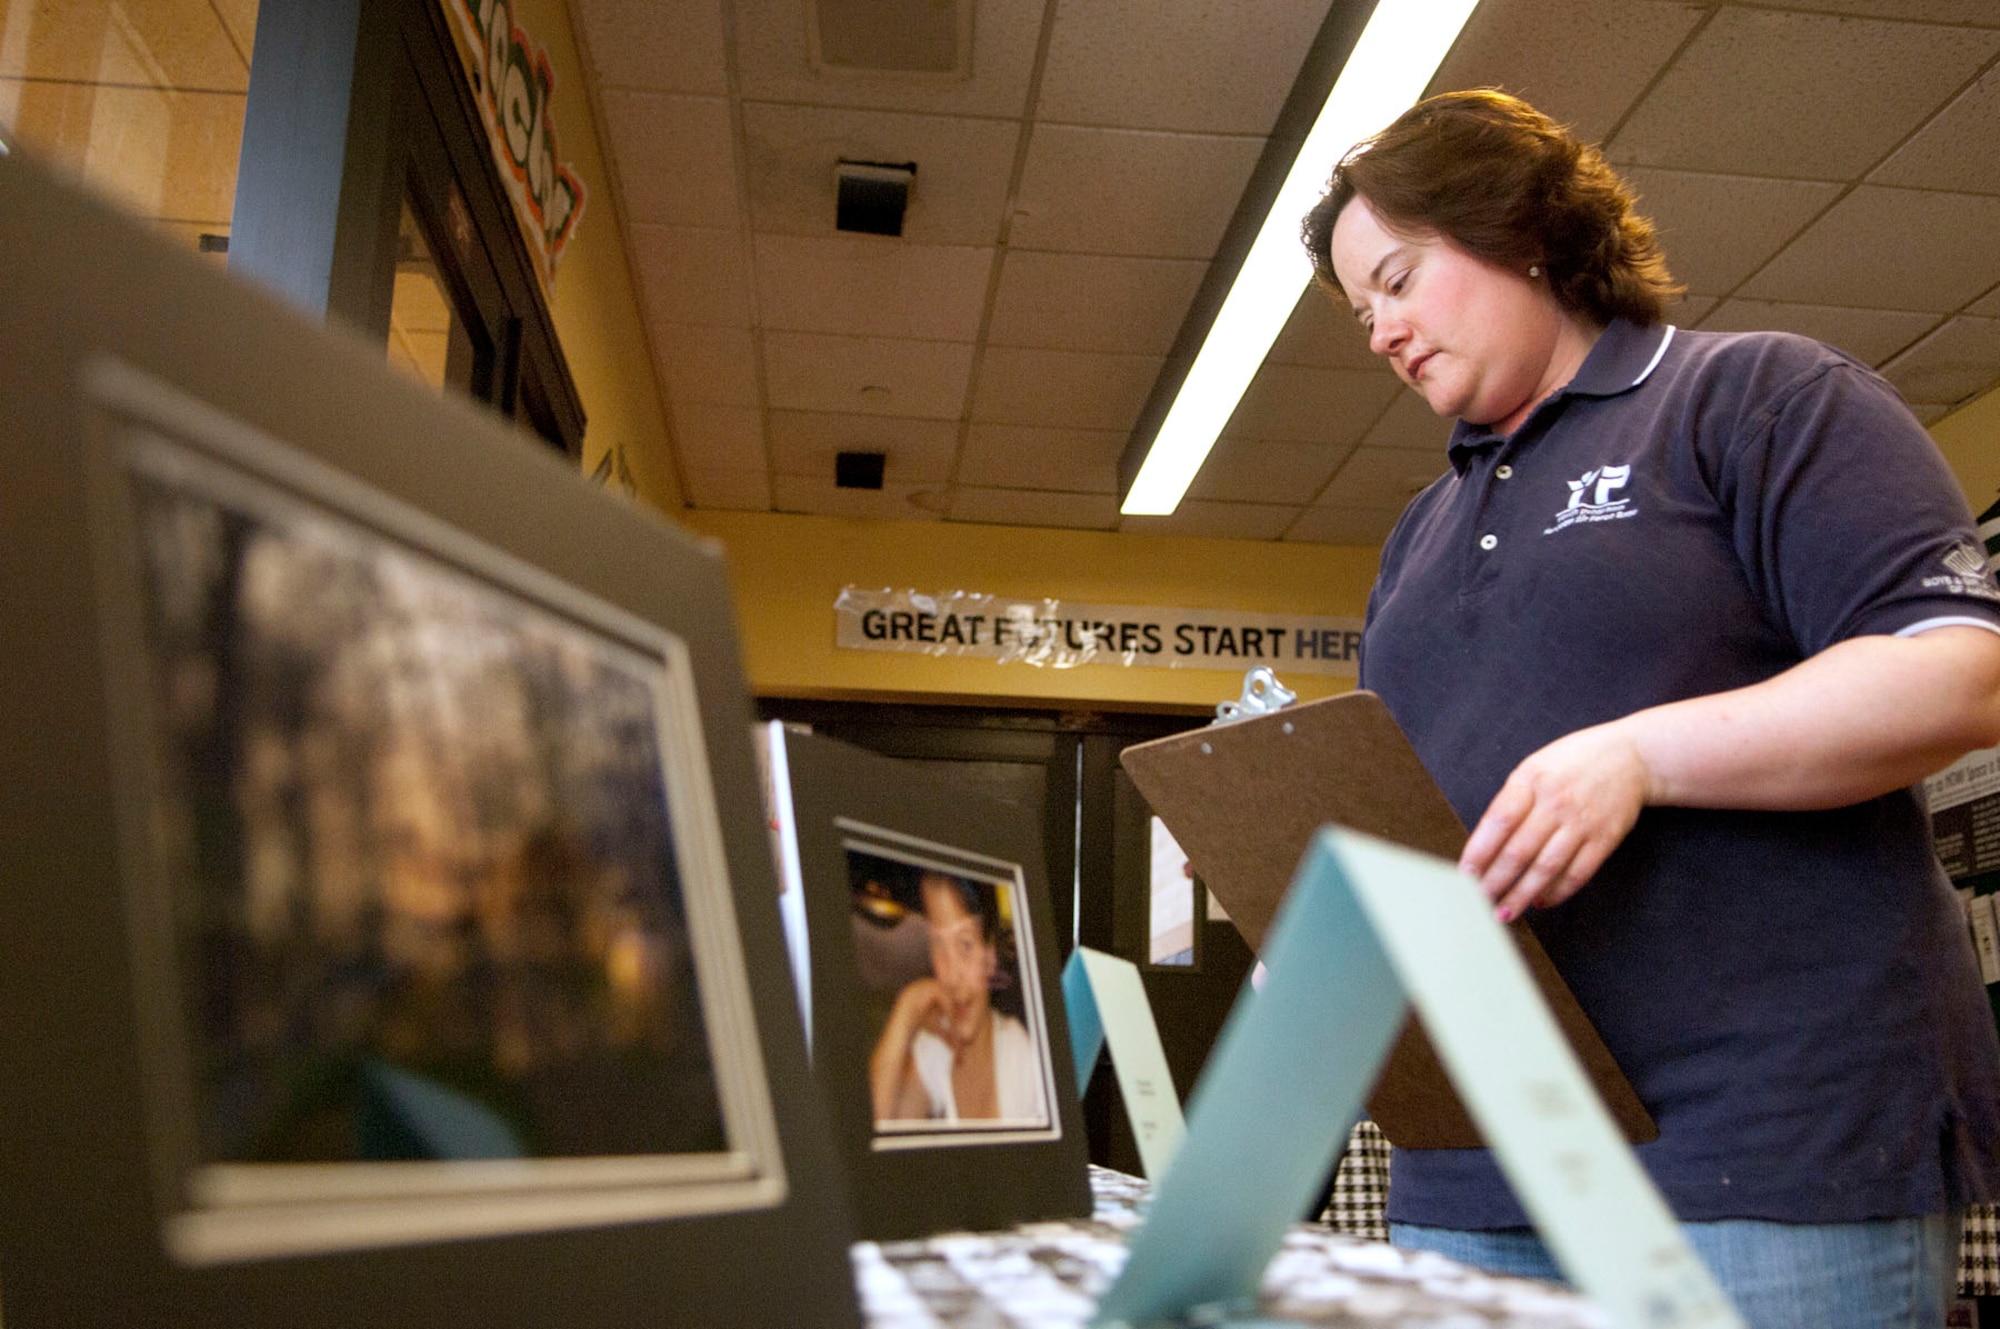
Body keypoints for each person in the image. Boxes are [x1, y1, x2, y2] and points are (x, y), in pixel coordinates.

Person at [1299, 89, 2000, 1328]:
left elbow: (1952, 670)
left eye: (1399, 280)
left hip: (1758, 1152)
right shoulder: (1416, 533)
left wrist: (1635, 756)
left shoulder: (1753, 399)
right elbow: (1421, 812)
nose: (1380, 333)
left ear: (1517, 229)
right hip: (1473, 1165)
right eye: (1361, 312)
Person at [868, 870, 1047, 1126]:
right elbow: (877, 1136)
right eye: (938, 945)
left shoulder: (1025, 1057)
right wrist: (907, 1010)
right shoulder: (935, 1050)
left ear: (990, 955)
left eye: (964, 945)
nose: (951, 976)